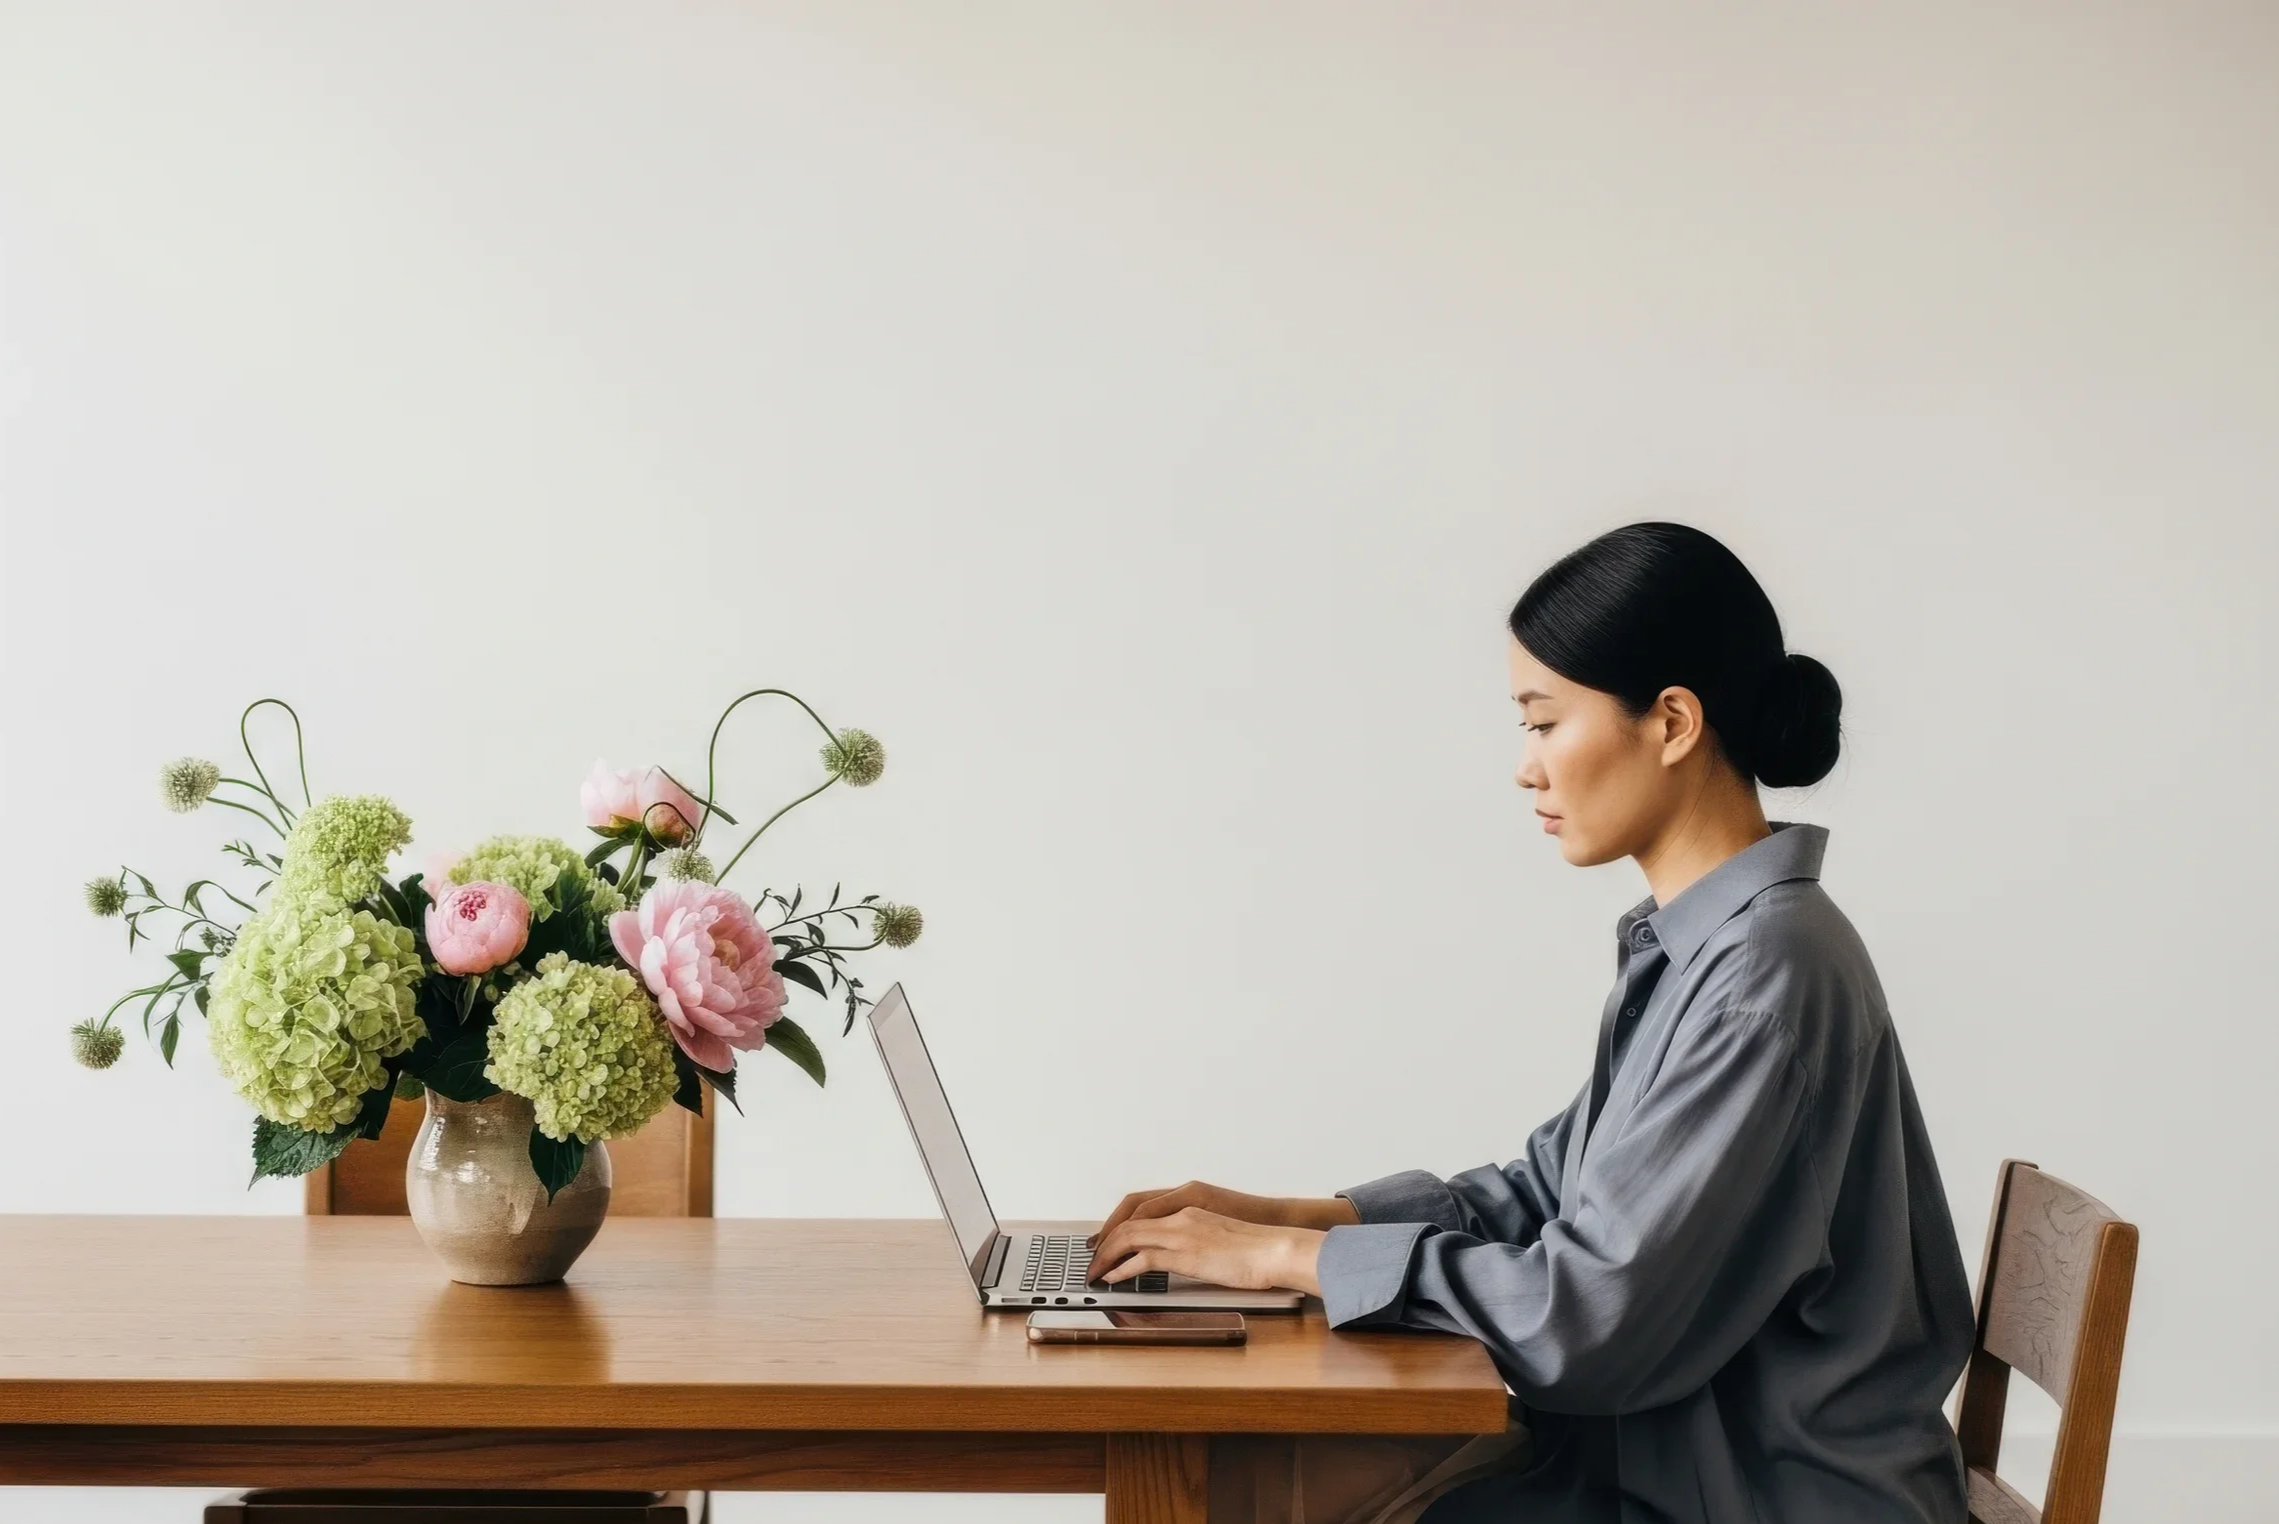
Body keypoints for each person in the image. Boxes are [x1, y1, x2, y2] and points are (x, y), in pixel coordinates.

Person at [1086, 523, 1976, 1524]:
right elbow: (1543, 1197)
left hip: (1751, 1501)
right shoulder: (1704, 948)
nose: (1525, 768)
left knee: (1248, 1487)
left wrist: (1280, 1264)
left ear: (1672, 722)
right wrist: (1283, 1218)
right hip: (1659, 1475)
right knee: (1260, 1483)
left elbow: (1585, 1323)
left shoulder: (1759, 979)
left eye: (1543, 722)